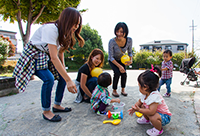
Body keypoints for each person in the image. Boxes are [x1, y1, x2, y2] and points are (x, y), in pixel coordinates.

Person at [13, 7, 85, 122]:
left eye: (78, 24)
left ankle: (57, 105)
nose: (76, 27)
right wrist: (68, 80)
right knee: (49, 79)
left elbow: (60, 53)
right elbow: (53, 57)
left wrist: (65, 75)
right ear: (67, 20)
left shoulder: (64, 34)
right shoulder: (51, 29)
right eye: (74, 23)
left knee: (62, 77)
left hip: (45, 55)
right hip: (34, 55)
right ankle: (46, 111)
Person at [128, 65, 172, 136]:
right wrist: (134, 108)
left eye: (139, 86)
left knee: (152, 116)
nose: (139, 87)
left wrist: (139, 110)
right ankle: (147, 120)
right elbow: (139, 102)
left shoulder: (154, 97)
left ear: (145, 87)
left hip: (164, 117)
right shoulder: (145, 93)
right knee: (142, 105)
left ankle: (158, 130)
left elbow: (151, 112)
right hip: (156, 113)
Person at [108, 22, 132, 97]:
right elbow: (110, 56)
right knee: (117, 72)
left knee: (124, 73)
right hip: (113, 60)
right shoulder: (112, 41)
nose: (119, 33)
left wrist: (131, 60)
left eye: (121, 32)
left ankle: (123, 90)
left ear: (125, 32)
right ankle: (114, 90)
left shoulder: (129, 40)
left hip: (121, 59)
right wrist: (119, 66)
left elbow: (130, 52)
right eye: (117, 31)